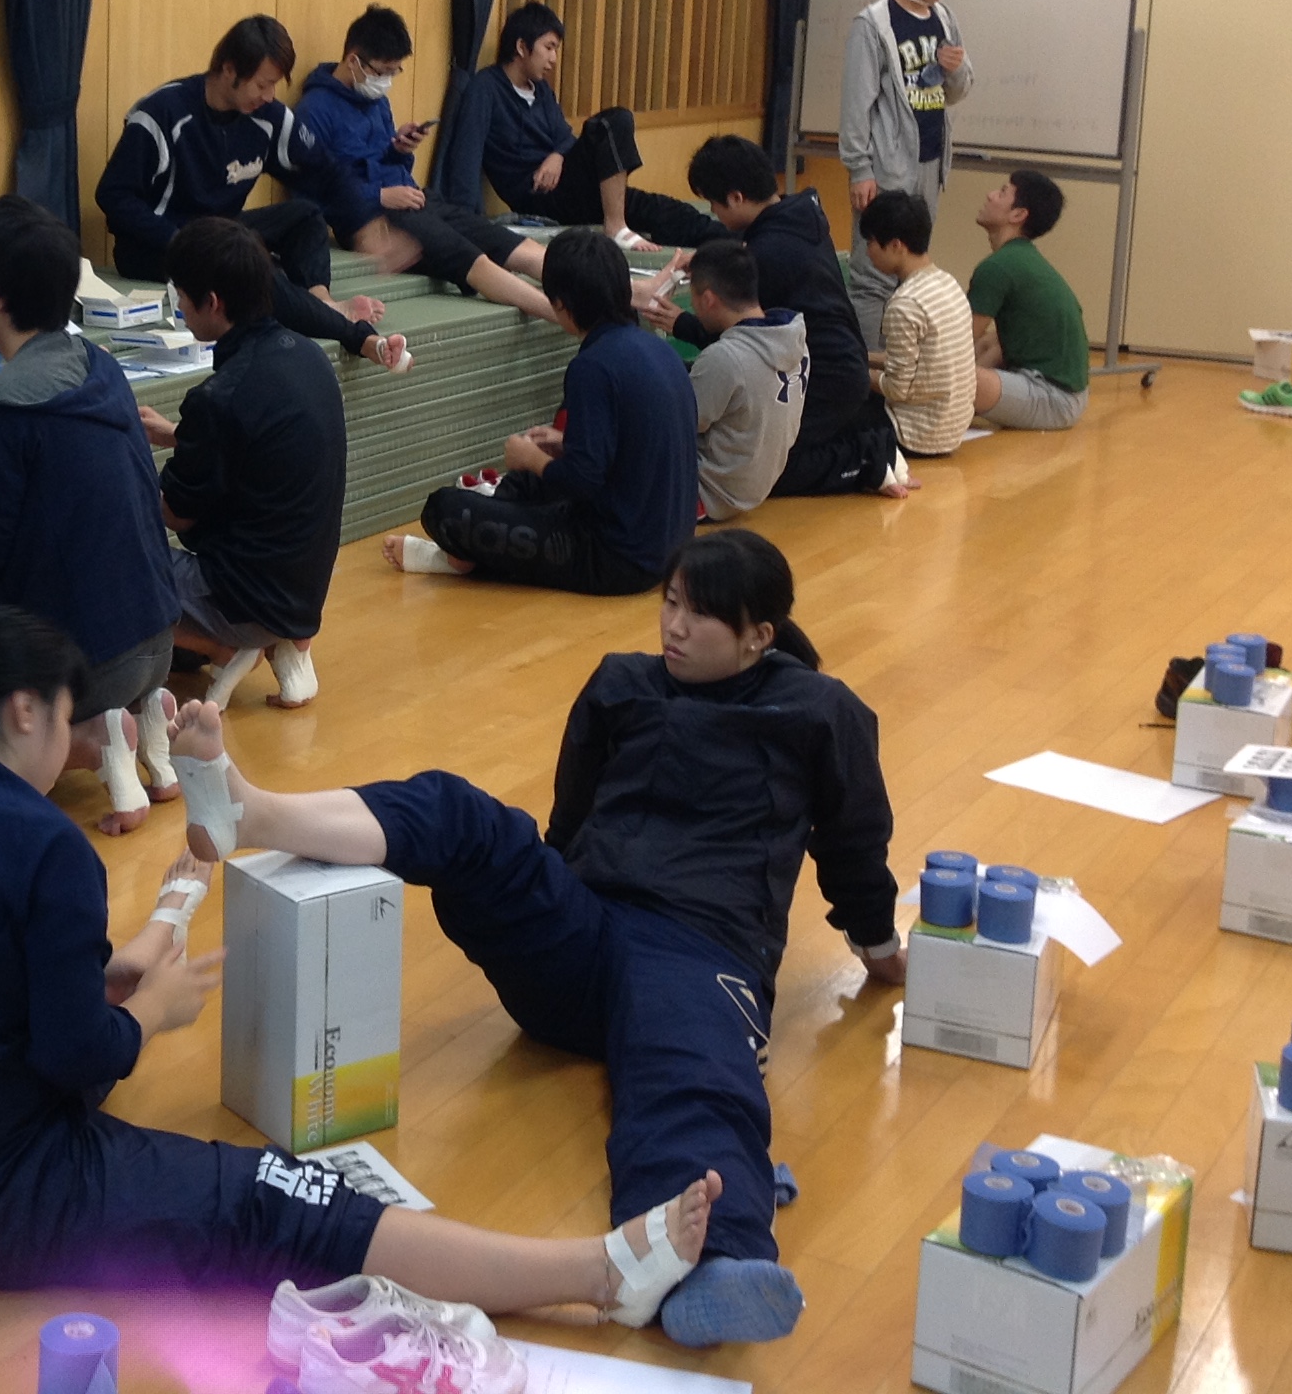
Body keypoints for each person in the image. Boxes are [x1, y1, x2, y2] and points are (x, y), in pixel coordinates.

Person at [0, 604, 737, 1361]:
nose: (87, 740)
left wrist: (124, 968)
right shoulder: (45, 842)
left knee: (146, 1038)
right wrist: (150, 1016)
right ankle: (598, 1275)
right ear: (24, 712)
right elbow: (76, 1056)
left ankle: (235, 823)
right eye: (71, 716)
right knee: (277, 1198)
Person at [163, 530, 900, 1349]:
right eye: (670, 603)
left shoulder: (818, 712)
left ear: (759, 635)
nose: (674, 625)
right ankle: (252, 811)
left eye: (700, 616)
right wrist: (541, 897)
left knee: (696, 1081)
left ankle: (710, 1264)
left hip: (697, 954)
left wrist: (879, 948)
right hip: (584, 932)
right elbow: (569, 825)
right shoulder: (622, 683)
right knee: (460, 812)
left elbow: (854, 847)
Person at [0, 196, 181, 834]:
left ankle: (93, 739)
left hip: (86, 668)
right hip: (156, 636)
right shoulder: (99, 365)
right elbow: (56, 445)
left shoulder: (1, 409)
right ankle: (147, 754)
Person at [388, 229, 696, 596]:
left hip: (620, 560)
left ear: (561, 305)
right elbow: (638, 446)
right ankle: (479, 545)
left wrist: (531, 458)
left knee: (445, 510)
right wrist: (566, 443)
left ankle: (466, 555)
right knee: (527, 480)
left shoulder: (593, 366)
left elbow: (581, 481)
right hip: (673, 549)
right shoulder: (658, 349)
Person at [96, 16, 410, 375]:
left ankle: (320, 300)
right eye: (262, 84)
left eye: (274, 85)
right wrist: (179, 240)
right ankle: (357, 336)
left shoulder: (267, 117)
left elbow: (325, 170)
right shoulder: (162, 113)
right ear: (229, 70)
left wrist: (367, 221)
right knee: (253, 270)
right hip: (159, 244)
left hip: (222, 231)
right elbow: (113, 195)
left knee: (305, 214)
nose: (269, 96)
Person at [133, 219, 345, 713]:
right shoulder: (307, 356)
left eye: (182, 297)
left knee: (102, 558)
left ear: (213, 302)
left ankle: (225, 646)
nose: (179, 307)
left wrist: (117, 460)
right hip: (302, 591)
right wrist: (177, 435)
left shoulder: (220, 397)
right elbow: (257, 448)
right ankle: (270, 640)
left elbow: (174, 514)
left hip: (247, 598)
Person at [656, 137, 907, 500]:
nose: (714, 213)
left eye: (714, 204)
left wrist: (682, 323)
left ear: (736, 197)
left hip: (824, 379)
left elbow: (748, 340)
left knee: (761, 469)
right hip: (838, 366)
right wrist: (710, 262)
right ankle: (861, 433)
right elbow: (753, 256)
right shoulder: (798, 214)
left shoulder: (769, 253)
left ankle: (864, 457)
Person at [288, 7, 553, 320]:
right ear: (353, 61)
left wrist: (400, 149)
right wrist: (379, 195)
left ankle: (603, 292)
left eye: (394, 72)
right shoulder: (313, 112)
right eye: (383, 72)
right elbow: (313, 193)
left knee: (513, 245)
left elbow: (383, 162)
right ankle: (558, 313)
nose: (387, 81)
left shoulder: (377, 101)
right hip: (373, 217)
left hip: (414, 198)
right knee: (473, 258)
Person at [428, 1, 716, 249]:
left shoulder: (541, 90)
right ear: (521, 47)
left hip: (572, 185)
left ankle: (731, 239)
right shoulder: (485, 89)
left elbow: (565, 137)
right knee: (613, 121)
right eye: (549, 48)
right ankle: (615, 226)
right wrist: (466, 223)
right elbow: (467, 155)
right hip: (539, 195)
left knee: (666, 210)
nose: (553, 59)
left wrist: (556, 156)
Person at [839, 0, 972, 339]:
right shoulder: (874, 24)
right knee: (872, 276)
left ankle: (901, 359)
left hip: (930, 161)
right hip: (885, 168)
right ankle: (868, 366)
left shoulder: (944, 18)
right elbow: (856, 103)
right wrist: (860, 168)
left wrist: (955, 70)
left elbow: (957, 91)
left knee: (913, 268)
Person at [682, 239, 808, 522]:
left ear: (708, 299)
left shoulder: (724, 358)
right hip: (752, 486)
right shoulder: (796, 339)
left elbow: (680, 424)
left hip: (708, 492)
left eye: (693, 297)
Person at [859, 192, 976, 459]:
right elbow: (918, 363)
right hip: (951, 429)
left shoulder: (905, 304)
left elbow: (897, 389)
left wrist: (853, 372)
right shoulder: (948, 283)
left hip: (913, 435)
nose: (867, 251)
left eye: (871, 242)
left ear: (896, 245)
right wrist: (862, 357)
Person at [970, 170, 1090, 432]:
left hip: (1053, 399)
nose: (990, 195)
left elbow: (953, 346)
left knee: (946, 377)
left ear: (1017, 215)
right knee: (990, 342)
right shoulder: (1020, 257)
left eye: (1002, 192)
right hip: (1069, 396)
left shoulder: (998, 267)